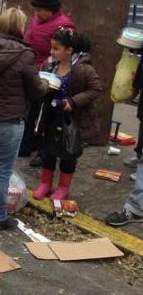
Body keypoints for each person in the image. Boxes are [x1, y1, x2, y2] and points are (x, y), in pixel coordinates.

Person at [0, 8, 49, 231]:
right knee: (2, 170)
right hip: (7, 120)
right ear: (19, 27)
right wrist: (46, 84)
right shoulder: (24, 55)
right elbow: (36, 91)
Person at [33, 29, 102, 201]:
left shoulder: (83, 69)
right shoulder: (49, 65)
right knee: (47, 150)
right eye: (51, 48)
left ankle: (63, 187)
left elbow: (96, 89)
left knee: (68, 152)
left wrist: (74, 101)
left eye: (56, 49)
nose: (51, 52)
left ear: (69, 50)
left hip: (72, 119)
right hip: (50, 115)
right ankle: (45, 184)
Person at [21, 0, 77, 165]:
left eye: (40, 10)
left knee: (45, 114)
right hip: (33, 70)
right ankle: (26, 145)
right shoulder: (37, 19)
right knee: (30, 111)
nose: (36, 13)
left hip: (49, 75)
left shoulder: (65, 26)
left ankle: (43, 151)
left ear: (50, 10)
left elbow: (67, 52)